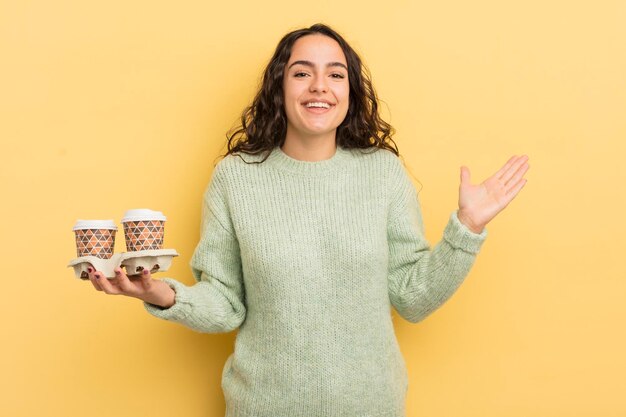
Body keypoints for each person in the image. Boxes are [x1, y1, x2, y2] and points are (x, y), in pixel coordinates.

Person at [87, 23, 529, 416]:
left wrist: (466, 229)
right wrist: (161, 293)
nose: (320, 86)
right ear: (279, 88)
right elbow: (225, 303)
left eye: (335, 74)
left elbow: (413, 297)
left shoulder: (382, 173)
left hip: (371, 407)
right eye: (302, 72)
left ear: (350, 91)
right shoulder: (235, 178)